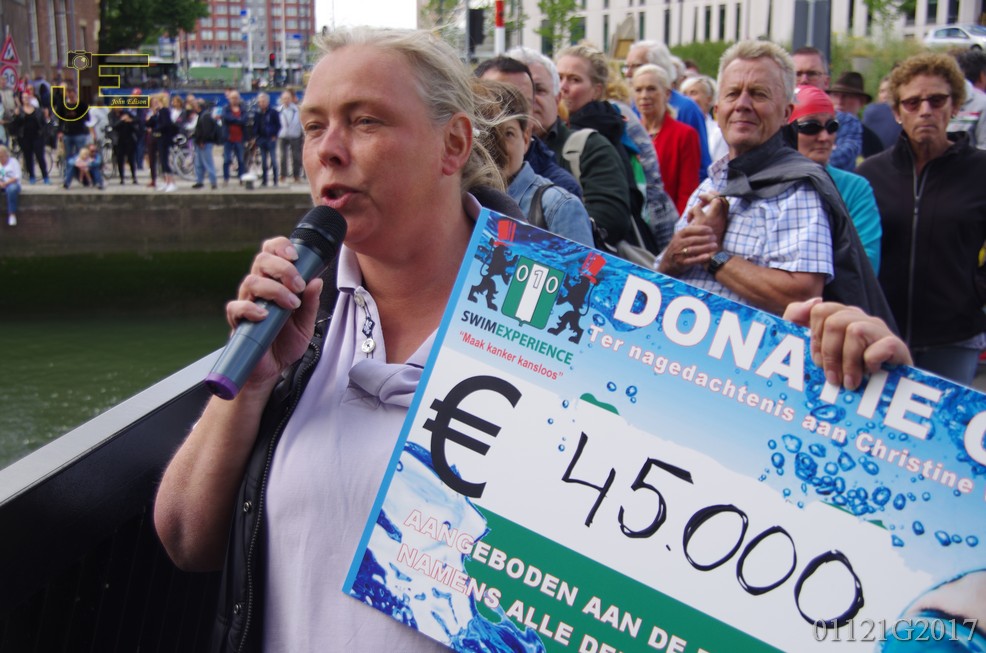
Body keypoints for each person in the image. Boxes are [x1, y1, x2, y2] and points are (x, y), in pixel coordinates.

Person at [154, 27, 914, 653]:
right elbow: (186, 539)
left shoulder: (577, 317)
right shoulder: (302, 319)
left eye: (365, 120)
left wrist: (849, 395)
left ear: (454, 145)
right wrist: (251, 385)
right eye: (315, 124)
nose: (328, 148)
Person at [656, 40, 891, 324]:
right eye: (732, 94)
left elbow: (802, 296)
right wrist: (672, 257)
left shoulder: (798, 190)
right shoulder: (709, 185)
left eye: (758, 94)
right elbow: (660, 272)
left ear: (786, 114)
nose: (742, 105)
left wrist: (713, 256)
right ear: (717, 111)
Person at [857, 52, 986, 386]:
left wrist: (975, 294)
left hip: (955, 338)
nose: (925, 110)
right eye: (912, 103)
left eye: (937, 100)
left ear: (955, 106)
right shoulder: (871, 174)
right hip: (880, 332)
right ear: (897, 112)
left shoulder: (980, 171)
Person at [472, 77, 594, 246]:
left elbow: (579, 264)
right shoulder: (462, 200)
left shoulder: (558, 206)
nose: (498, 147)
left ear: (526, 137)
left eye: (508, 134)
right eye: (487, 135)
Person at [787, 84, 882, 272]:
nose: (824, 137)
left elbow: (866, 264)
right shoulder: (764, 184)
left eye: (832, 126)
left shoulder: (855, 188)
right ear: (786, 131)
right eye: (811, 127)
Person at [474, 54, 582, 198]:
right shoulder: (452, 181)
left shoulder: (558, 196)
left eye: (521, 104)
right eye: (496, 100)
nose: (507, 114)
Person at [625, 40, 712, 181]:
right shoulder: (633, 107)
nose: (628, 73)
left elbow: (701, 168)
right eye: (626, 67)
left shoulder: (687, 108)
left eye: (636, 66)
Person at [632, 64, 700, 215]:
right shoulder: (630, 135)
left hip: (670, 220)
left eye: (651, 89)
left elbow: (687, 192)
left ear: (667, 94)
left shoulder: (684, 135)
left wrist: (681, 225)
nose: (644, 95)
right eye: (638, 90)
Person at [792, 47, 862, 171]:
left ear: (826, 82)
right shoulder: (774, 119)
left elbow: (844, 157)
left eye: (812, 74)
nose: (804, 80)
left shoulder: (846, 121)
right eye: (797, 74)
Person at [680, 74, 729, 163]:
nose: (687, 99)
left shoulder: (718, 133)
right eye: (684, 94)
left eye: (693, 93)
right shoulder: (676, 130)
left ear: (709, 99)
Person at [9, 100, 49, 184]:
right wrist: (16, 116)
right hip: (24, 137)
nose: (26, 100)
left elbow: (43, 123)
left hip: (37, 136)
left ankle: (45, 176)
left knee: (40, 157)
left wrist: (44, 133)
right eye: (24, 98)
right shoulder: (19, 111)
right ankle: (32, 176)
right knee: (28, 157)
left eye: (27, 97)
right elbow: (15, 125)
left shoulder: (38, 110)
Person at [252, 92, 280, 186]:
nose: (262, 103)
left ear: (267, 102)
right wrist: (255, 136)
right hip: (261, 139)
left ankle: (275, 180)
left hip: (271, 139)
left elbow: (278, 125)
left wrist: (275, 135)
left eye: (264, 101)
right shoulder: (257, 113)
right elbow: (255, 125)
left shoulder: (273, 112)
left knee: (273, 160)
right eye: (260, 102)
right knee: (263, 161)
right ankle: (264, 180)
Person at [191, 98, 219, 190]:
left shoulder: (205, 116)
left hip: (204, 143)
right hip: (199, 142)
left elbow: (206, 131)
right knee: (198, 163)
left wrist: (202, 141)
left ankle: (213, 181)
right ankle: (199, 181)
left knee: (208, 162)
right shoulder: (201, 115)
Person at [222, 90, 247, 185]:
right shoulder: (226, 108)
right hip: (228, 138)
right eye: (232, 98)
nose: (234, 100)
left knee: (241, 160)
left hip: (239, 138)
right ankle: (226, 178)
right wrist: (238, 120)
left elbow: (244, 120)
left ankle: (241, 178)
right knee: (226, 160)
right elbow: (227, 118)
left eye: (236, 98)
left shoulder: (243, 109)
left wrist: (235, 120)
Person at [278, 89, 303, 184]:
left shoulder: (297, 110)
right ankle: (283, 175)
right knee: (282, 156)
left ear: (291, 99)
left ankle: (296, 176)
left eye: (288, 98)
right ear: (282, 99)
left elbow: (301, 122)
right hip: (282, 135)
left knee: (296, 156)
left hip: (295, 135)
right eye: (284, 98)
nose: (286, 100)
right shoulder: (278, 110)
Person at [108, 107, 139, 185]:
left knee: (131, 159)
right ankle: (122, 177)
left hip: (129, 139)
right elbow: (113, 125)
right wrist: (121, 120)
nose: (120, 108)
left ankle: (134, 177)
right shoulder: (111, 115)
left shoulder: (127, 113)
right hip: (119, 140)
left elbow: (136, 121)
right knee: (120, 159)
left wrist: (130, 120)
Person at [0, 144, 21, 226]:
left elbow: (17, 177)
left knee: (12, 190)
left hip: (12, 183)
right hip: (1, 184)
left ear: (6, 155)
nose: (1, 159)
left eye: (2, 156)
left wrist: (6, 183)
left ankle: (12, 214)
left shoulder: (13, 162)